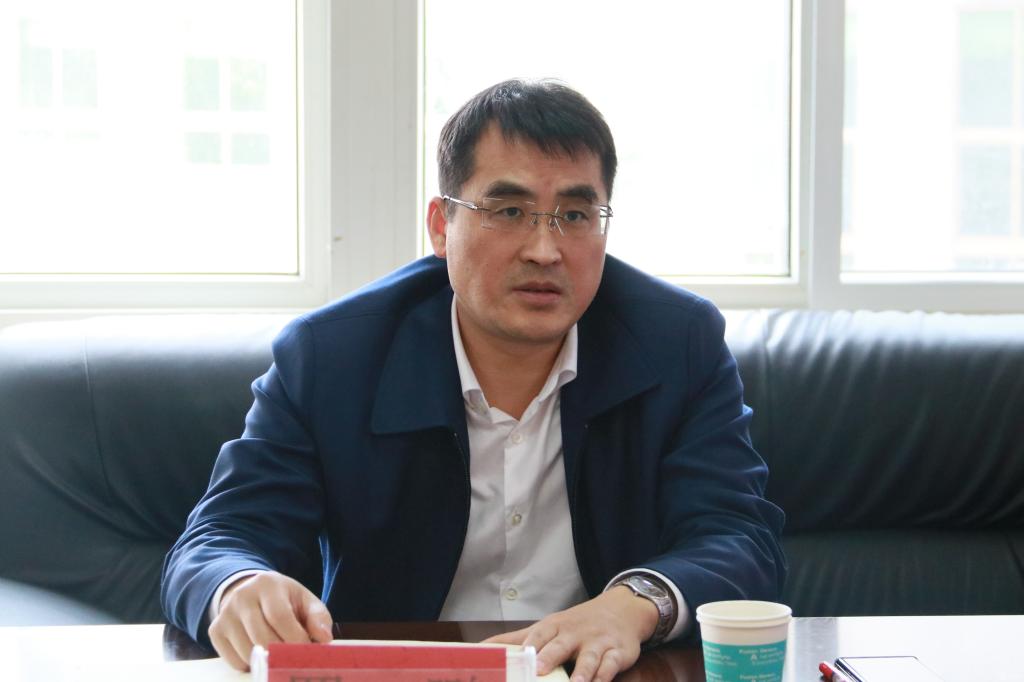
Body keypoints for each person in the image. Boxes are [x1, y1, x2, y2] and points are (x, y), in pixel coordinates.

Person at [161, 79, 786, 682]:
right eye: (509, 210)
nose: (545, 250)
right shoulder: (332, 357)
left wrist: (636, 603)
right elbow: (220, 538)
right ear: (441, 226)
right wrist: (237, 587)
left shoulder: (678, 344)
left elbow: (740, 539)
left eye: (575, 214)